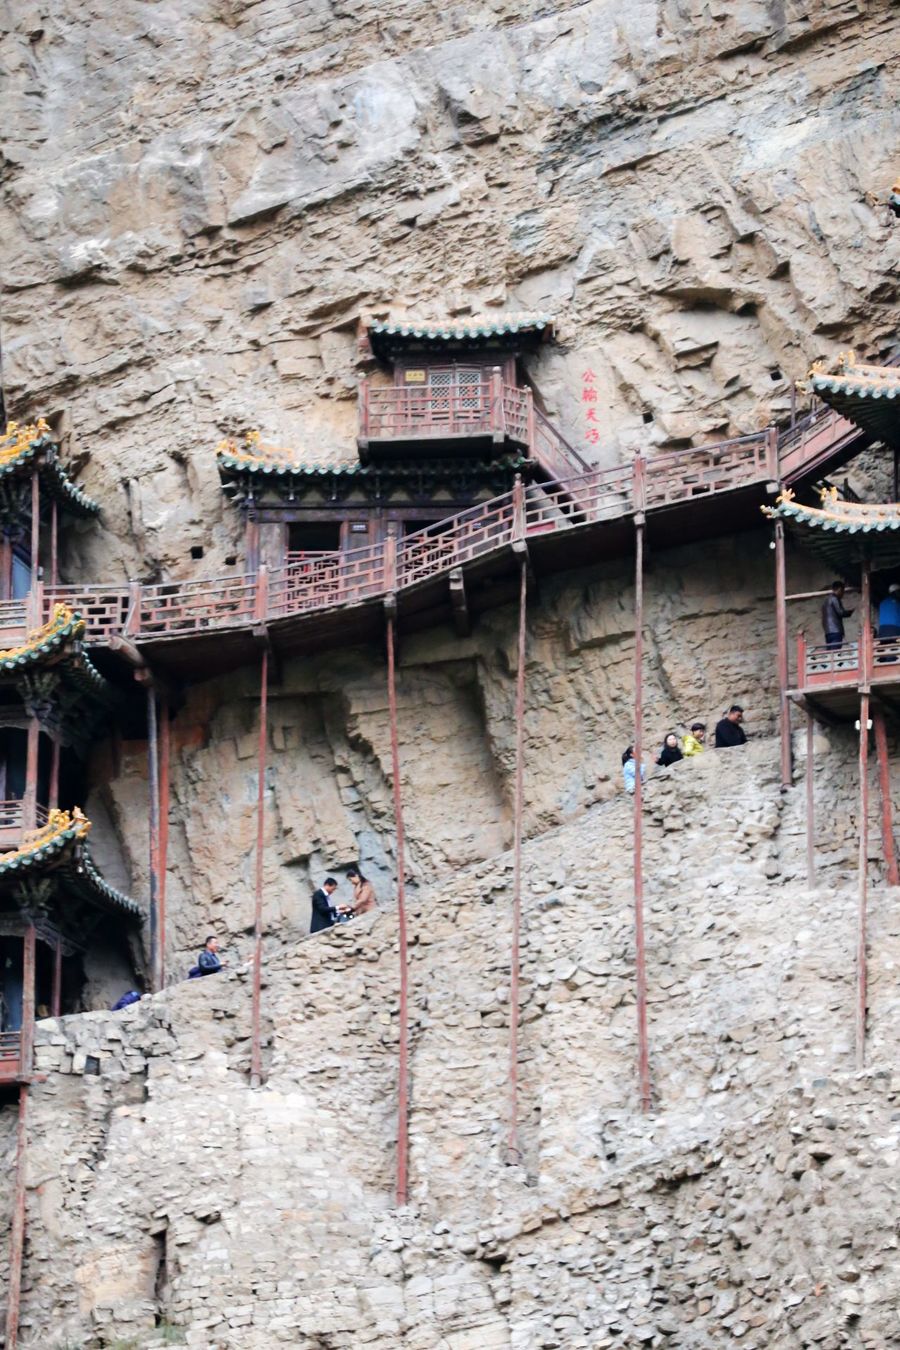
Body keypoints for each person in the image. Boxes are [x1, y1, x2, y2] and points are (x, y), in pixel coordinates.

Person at [822, 580, 853, 648]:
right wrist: (849, 612)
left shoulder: (826, 601)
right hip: (836, 630)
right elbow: (840, 612)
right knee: (835, 651)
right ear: (840, 589)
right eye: (843, 591)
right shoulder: (834, 598)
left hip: (828, 632)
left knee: (830, 652)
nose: (843, 594)